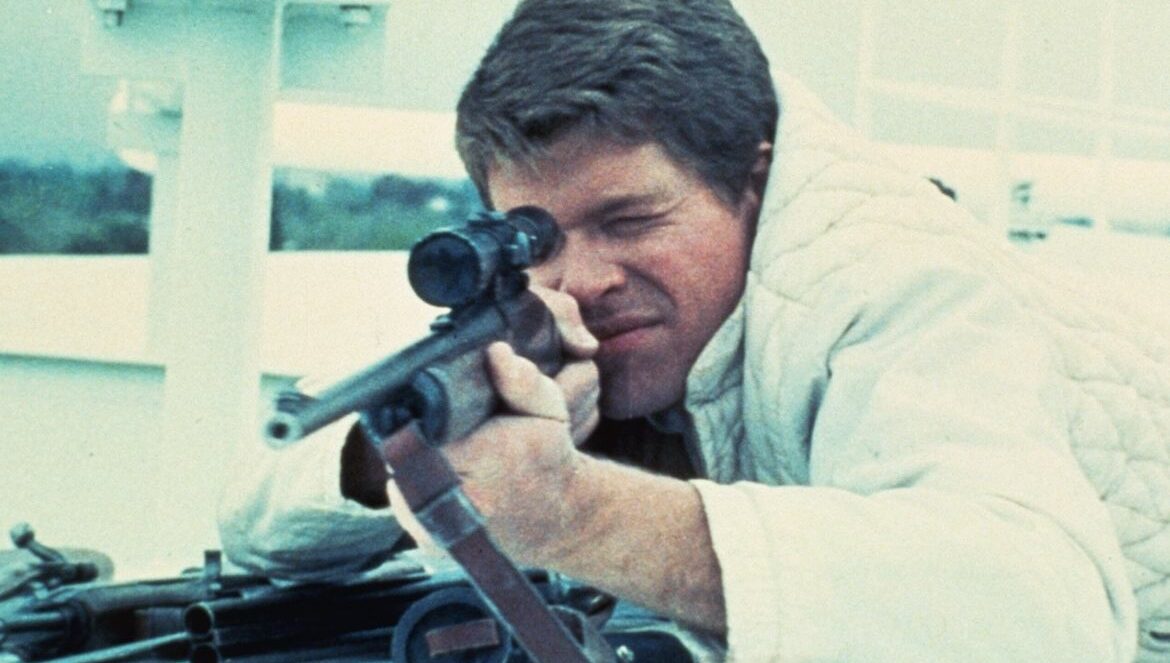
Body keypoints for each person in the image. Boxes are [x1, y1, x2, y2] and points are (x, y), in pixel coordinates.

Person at [218, 1, 1170, 660]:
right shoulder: (550, 311)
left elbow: (1045, 618)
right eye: (538, 237)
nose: (584, 280)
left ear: (752, 179)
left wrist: (576, 508)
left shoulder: (890, 277)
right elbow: (250, 513)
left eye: (631, 221)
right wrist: (399, 451)